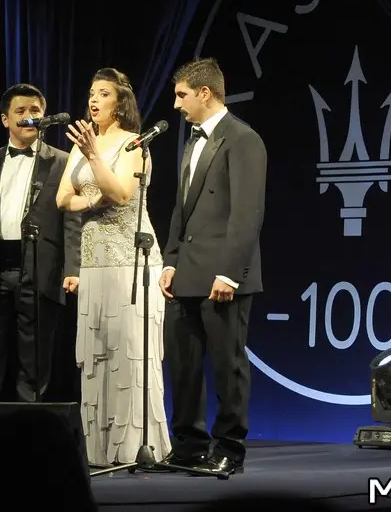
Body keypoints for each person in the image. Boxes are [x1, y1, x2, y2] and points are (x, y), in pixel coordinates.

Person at [57, 68, 172, 467]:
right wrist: (91, 200)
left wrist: (93, 158)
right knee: (98, 353)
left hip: (129, 257)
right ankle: (100, 449)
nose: (94, 100)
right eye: (91, 93)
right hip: (93, 258)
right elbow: (62, 199)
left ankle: (136, 445)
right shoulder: (83, 142)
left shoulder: (133, 144)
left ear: (120, 102)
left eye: (103, 93)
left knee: (128, 351)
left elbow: (121, 194)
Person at [158, 57, 267, 477]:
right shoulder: (192, 142)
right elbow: (181, 209)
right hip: (187, 274)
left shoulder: (243, 139)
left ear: (205, 93)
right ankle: (188, 445)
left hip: (223, 277)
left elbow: (246, 214)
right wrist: (170, 261)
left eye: (181, 95)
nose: (176, 104)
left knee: (227, 366)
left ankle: (229, 448)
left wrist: (229, 273)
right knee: (183, 365)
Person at [0, 83, 81, 403]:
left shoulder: (62, 161)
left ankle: (30, 428)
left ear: (44, 116)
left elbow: (71, 220)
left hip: (40, 266)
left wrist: (72, 268)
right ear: (5, 119)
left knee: (34, 361)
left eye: (35, 110)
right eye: (20, 111)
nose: (28, 116)